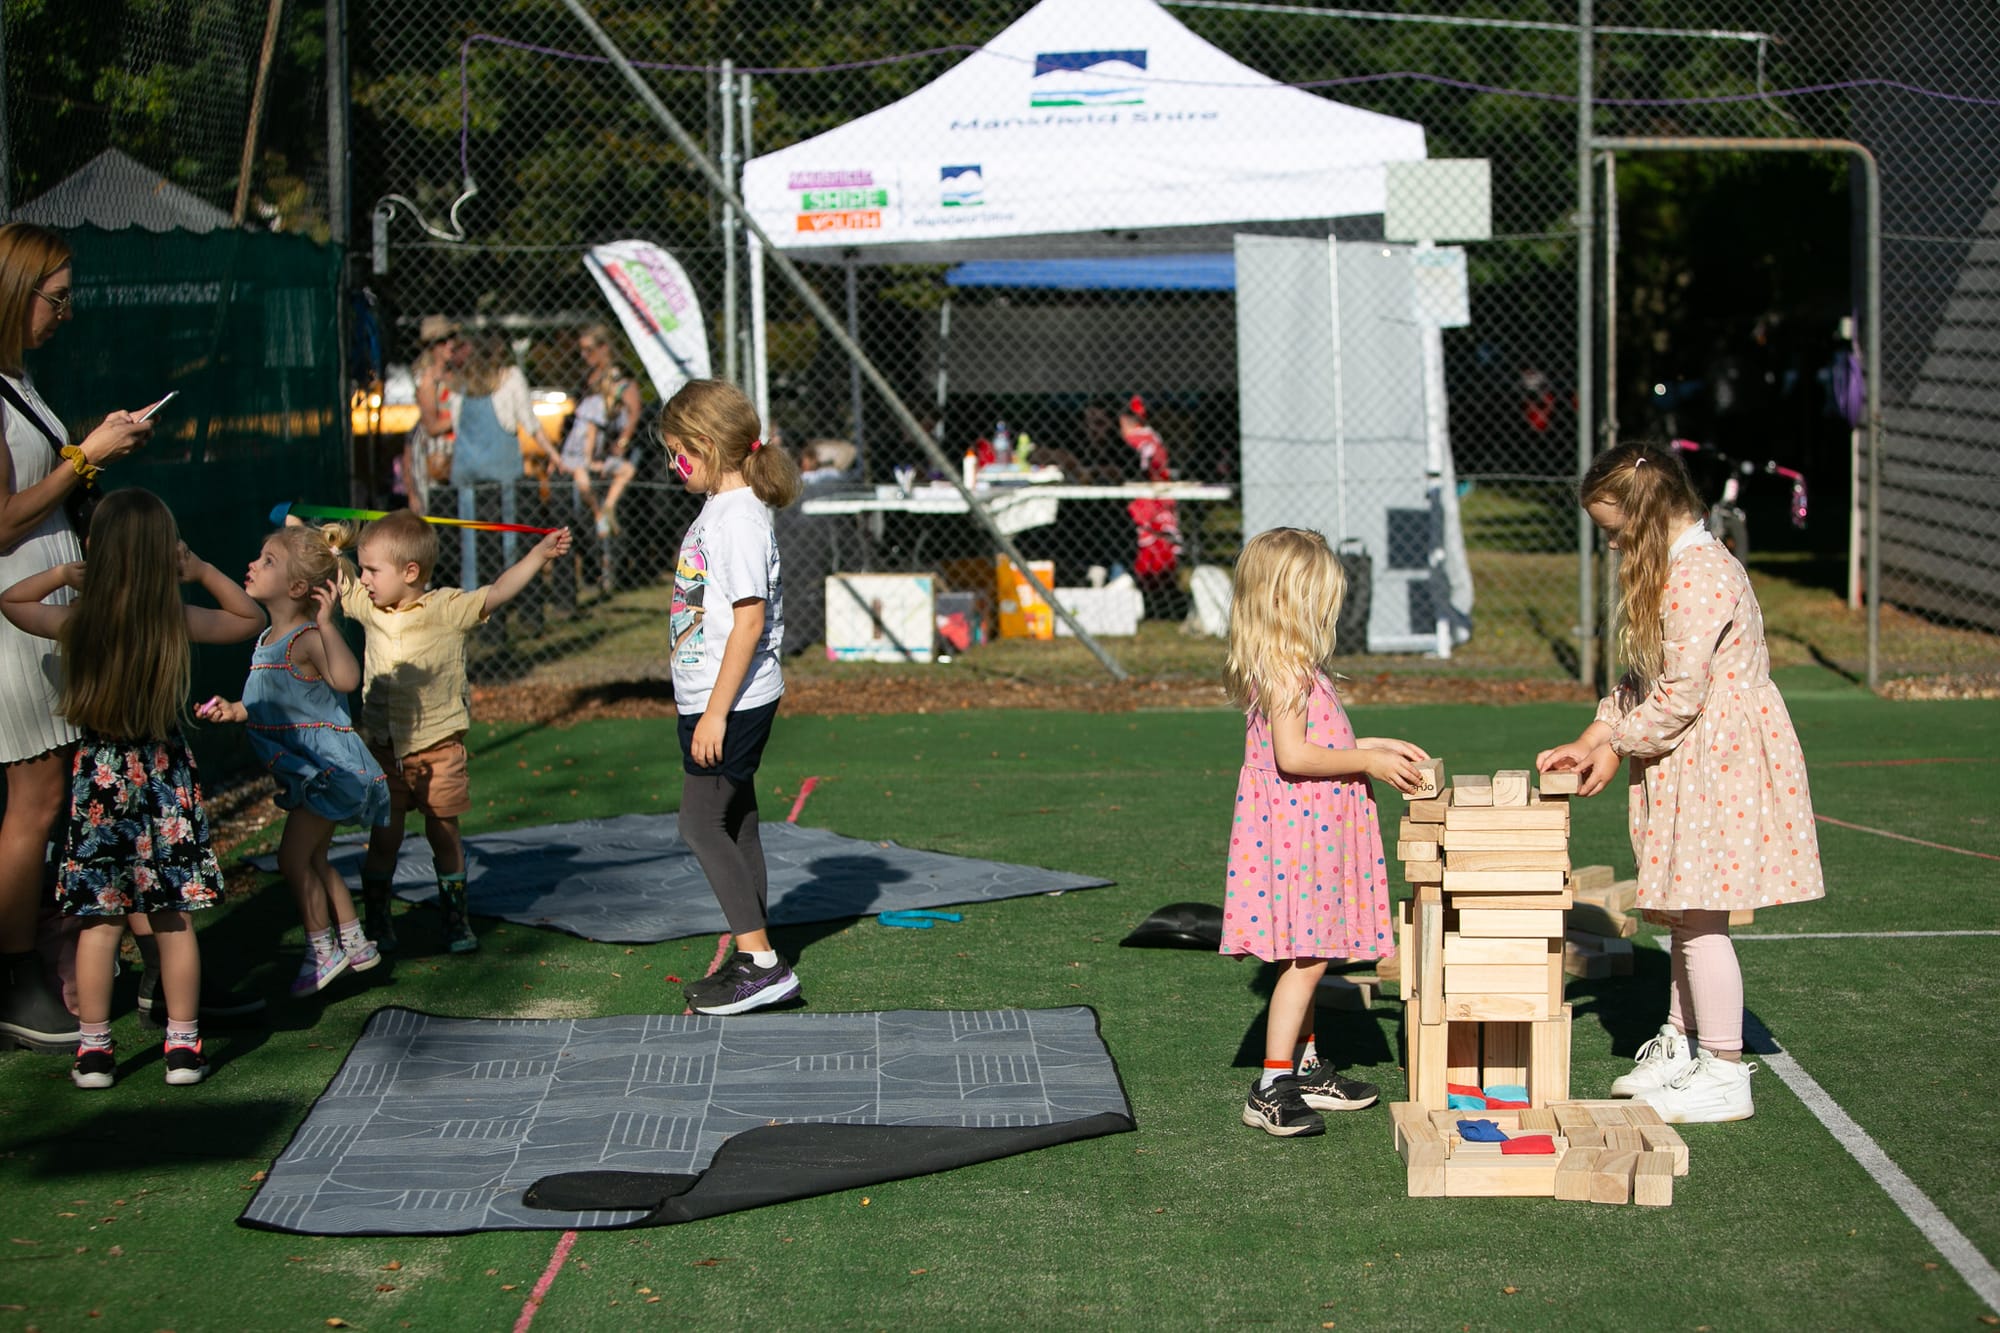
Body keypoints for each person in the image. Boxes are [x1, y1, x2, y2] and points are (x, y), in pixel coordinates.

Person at [1536, 442, 1824, 1124]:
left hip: (1717, 758)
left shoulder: (1699, 576)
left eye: (1614, 530)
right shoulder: (1678, 568)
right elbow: (1647, 679)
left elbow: (1679, 697)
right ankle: (1681, 1039)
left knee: (1701, 917)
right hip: (1692, 754)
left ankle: (1722, 1068)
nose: (1611, 545)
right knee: (1685, 909)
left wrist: (1617, 743)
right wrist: (1596, 732)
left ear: (1644, 514)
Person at [0, 489, 263, 1086]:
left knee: (100, 925)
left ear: (97, 549)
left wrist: (61, 574)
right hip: (164, 775)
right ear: (163, 553)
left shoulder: (81, 620)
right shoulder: (172, 619)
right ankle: (184, 1047)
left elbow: (12, 601)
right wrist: (201, 570)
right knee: (173, 920)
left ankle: (94, 1051)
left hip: (100, 776)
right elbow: (250, 619)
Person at [0, 222, 157, 1052]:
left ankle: (51, 951)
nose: (65, 314)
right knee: (34, 801)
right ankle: (15, 979)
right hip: (16, 614)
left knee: (54, 793)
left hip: (50, 608)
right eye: (55, 299)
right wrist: (87, 456)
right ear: (14, 292)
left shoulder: (18, 382)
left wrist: (95, 451)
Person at [1221, 527, 1429, 1137]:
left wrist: (1374, 746)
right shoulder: (1285, 670)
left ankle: (1305, 1067)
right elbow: (1294, 757)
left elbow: (1320, 743)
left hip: (1310, 827)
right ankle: (1271, 1085)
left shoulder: (1296, 667)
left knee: (1312, 949)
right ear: (1288, 599)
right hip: (1300, 832)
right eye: (1320, 597)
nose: (1328, 610)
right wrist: (1367, 761)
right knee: (1307, 957)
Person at [336, 509, 570, 954]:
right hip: (384, 750)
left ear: (410, 572)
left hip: (439, 749)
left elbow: (498, 591)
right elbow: (335, 575)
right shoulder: (369, 606)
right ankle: (378, 921)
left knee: (444, 834)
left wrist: (540, 554)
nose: (363, 578)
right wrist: (300, 532)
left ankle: (455, 918)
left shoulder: (446, 608)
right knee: (384, 839)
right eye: (361, 569)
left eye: (372, 570)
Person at [198, 525, 391, 997]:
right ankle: (354, 942)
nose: (253, 564)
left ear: (298, 587)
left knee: (291, 858)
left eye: (268, 561)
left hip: (328, 771)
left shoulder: (305, 637)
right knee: (315, 858)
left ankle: (323, 950)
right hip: (308, 772)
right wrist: (234, 710)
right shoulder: (267, 637)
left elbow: (347, 680)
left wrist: (327, 624)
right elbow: (272, 706)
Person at [663, 379, 805, 1016]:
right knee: (737, 820)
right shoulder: (719, 511)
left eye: (678, 453)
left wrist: (716, 713)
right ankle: (758, 953)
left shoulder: (740, 519)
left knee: (699, 823)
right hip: (711, 697)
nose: (674, 465)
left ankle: (762, 966)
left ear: (705, 445)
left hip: (733, 703)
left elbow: (749, 622)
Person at [422, 332, 555, 597]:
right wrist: (554, 454)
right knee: (509, 531)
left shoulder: (460, 385)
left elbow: (455, 423)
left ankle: (472, 594)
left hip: (467, 469)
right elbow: (529, 422)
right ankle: (509, 591)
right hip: (502, 468)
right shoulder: (511, 378)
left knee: (470, 535)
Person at [1118, 395, 1185, 620]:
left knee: (1149, 551)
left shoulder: (1135, 439)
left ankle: (1149, 599)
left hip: (1147, 502)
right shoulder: (1152, 435)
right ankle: (1160, 598)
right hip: (1159, 499)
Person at [404, 316, 467, 518]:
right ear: (433, 347)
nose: (450, 344)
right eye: (443, 341)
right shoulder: (427, 380)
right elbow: (431, 426)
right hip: (433, 457)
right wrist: (464, 418)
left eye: (451, 338)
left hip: (455, 453)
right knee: (435, 516)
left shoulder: (454, 375)